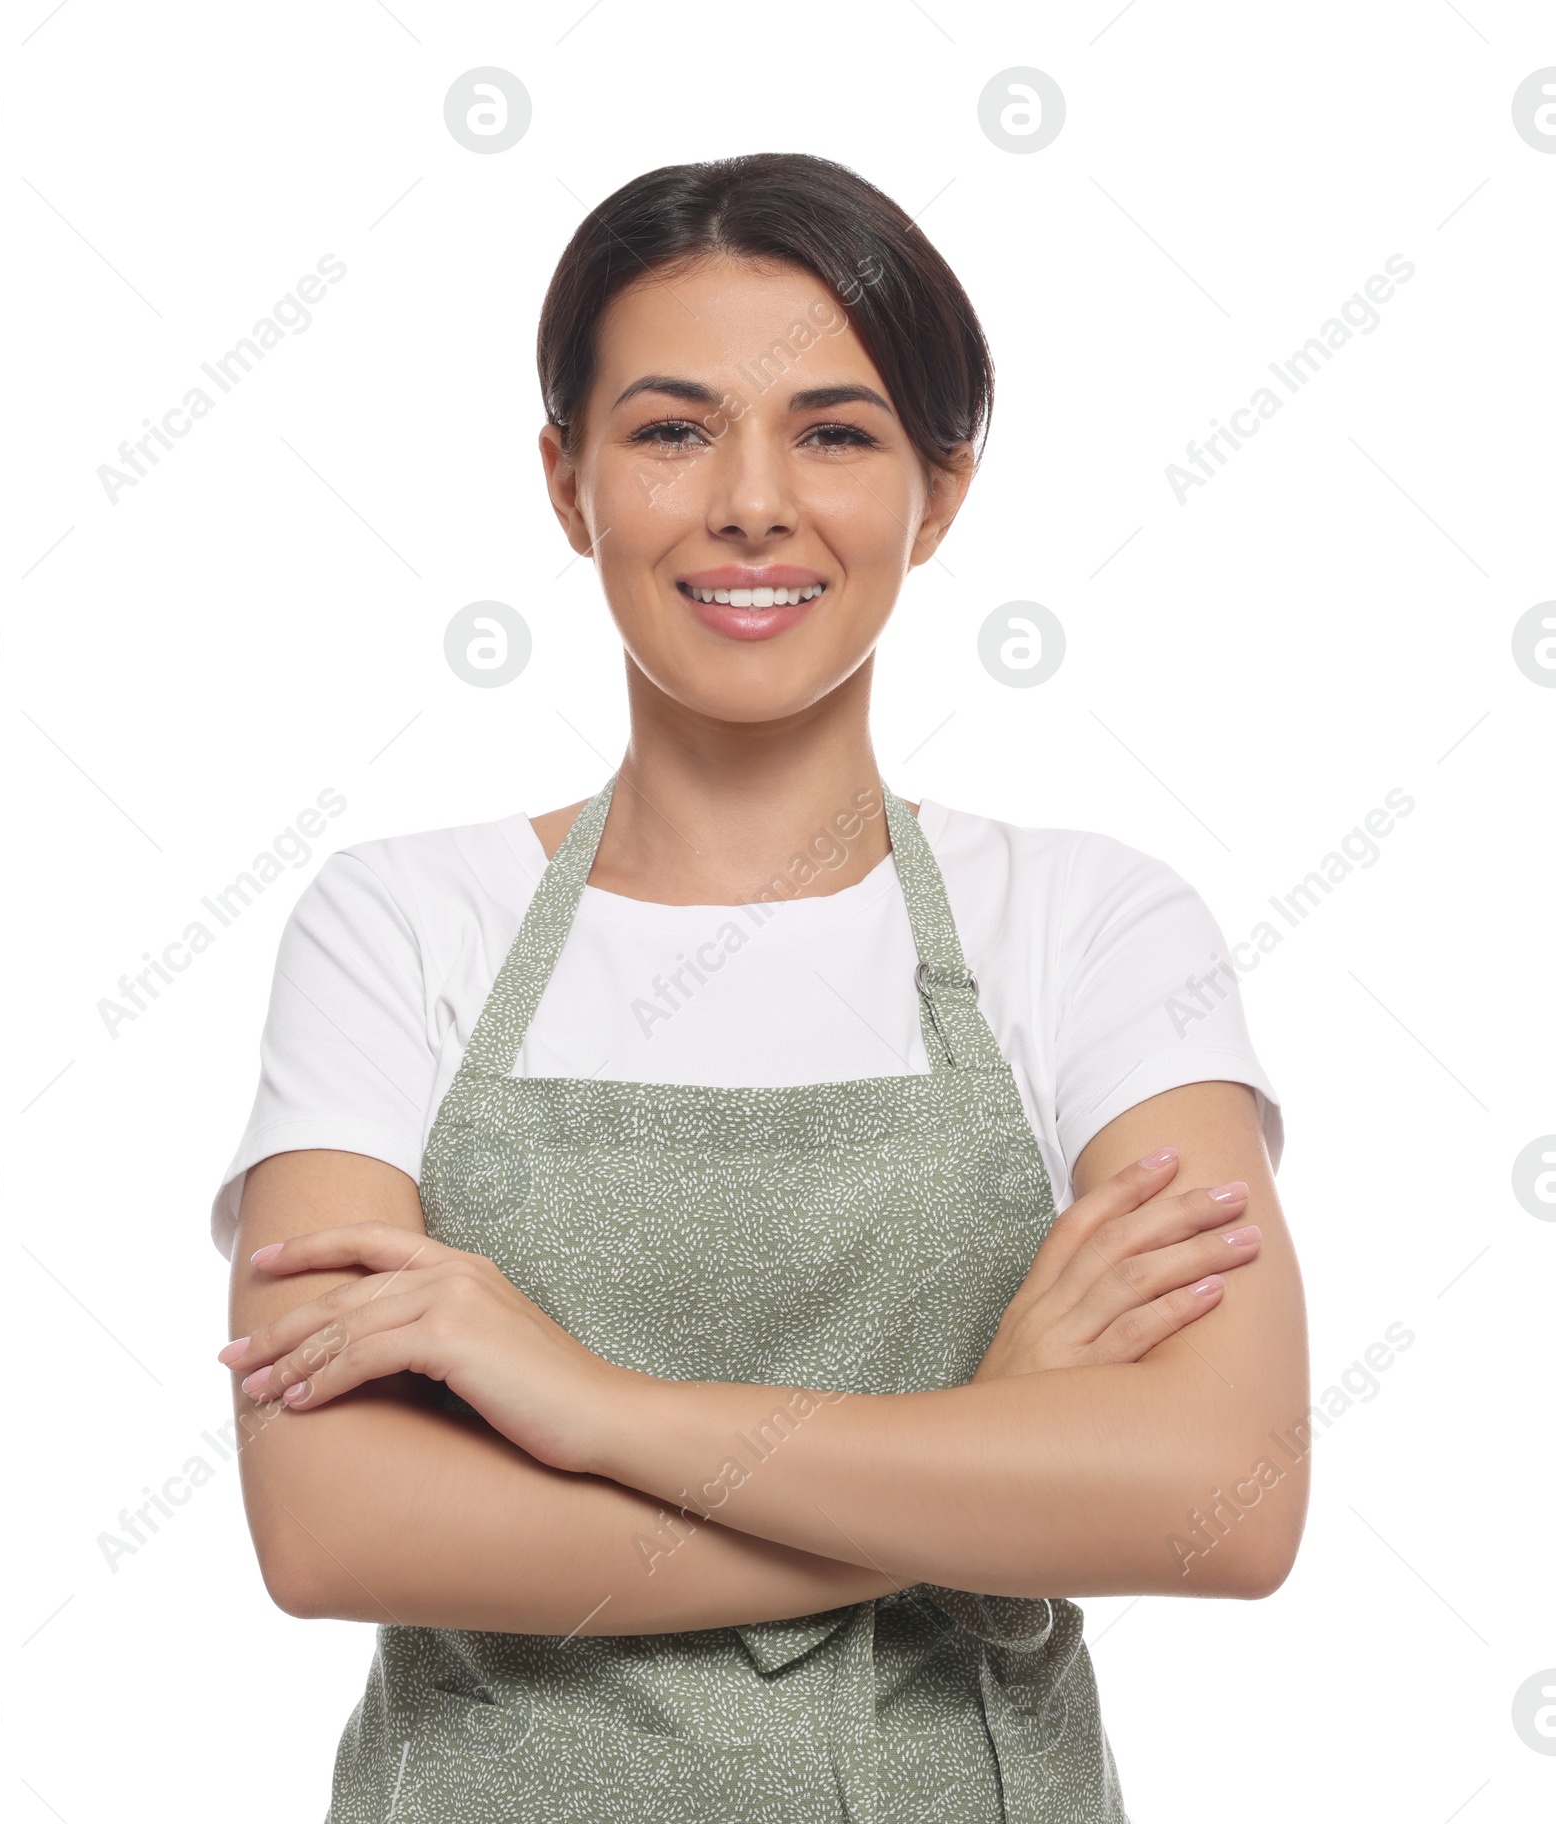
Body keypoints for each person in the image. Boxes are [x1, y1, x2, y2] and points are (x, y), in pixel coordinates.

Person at [212, 151, 1308, 1823]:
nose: (750, 501)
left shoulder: (1091, 925)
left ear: (940, 495)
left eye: (837, 431)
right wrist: (979, 1450)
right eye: (668, 429)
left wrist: (590, 1409)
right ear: (566, 480)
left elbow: (1222, 1502)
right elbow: (334, 1526)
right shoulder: (401, 922)